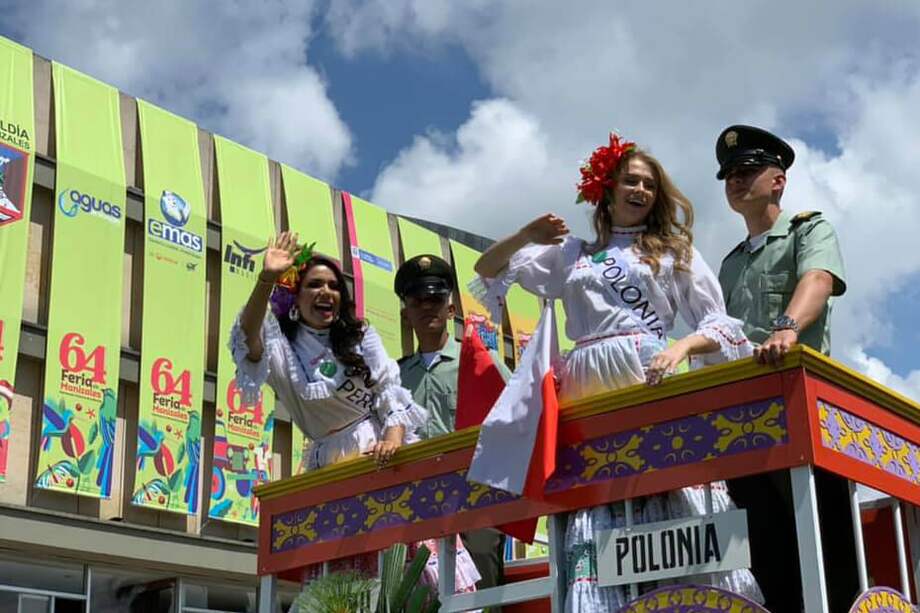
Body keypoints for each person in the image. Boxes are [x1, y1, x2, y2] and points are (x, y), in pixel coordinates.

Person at [471, 133, 761, 612]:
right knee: (598, 501)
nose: (641, 191)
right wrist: (527, 235)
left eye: (649, 185)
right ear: (606, 188)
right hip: (586, 385)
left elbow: (721, 324)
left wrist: (681, 347)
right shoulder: (572, 253)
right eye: (631, 181)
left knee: (665, 494)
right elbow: (489, 268)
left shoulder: (674, 251)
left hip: (648, 372)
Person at [715, 124, 855, 611]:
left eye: (748, 170)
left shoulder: (808, 229)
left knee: (827, 544)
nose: (736, 180)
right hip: (745, 420)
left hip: (802, 407)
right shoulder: (729, 264)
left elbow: (817, 278)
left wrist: (787, 326)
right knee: (764, 549)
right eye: (729, 174)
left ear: (778, 181)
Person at [230, 231, 426, 472]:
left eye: (334, 286)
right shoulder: (280, 348)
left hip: (375, 449)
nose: (326, 291)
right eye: (314, 285)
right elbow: (246, 339)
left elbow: (389, 391)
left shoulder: (360, 337)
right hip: (325, 461)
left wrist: (393, 443)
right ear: (296, 299)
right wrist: (267, 278)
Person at [394, 254, 510, 598]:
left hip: (473, 496)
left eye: (436, 299)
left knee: (482, 589)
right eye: (417, 300)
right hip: (414, 505)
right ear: (405, 312)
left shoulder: (480, 363)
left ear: (451, 309)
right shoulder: (394, 377)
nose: (427, 306)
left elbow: (516, 416)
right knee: (417, 596)